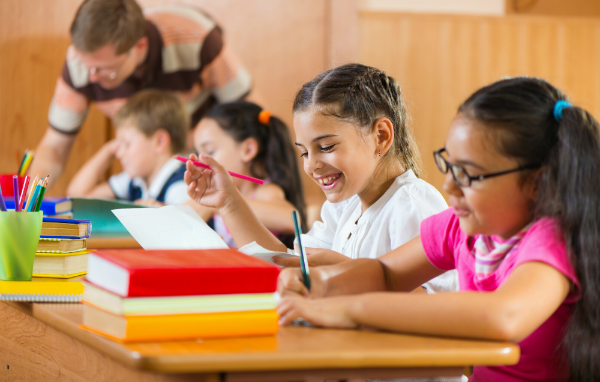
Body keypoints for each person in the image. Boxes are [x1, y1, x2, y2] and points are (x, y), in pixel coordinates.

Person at [276, 77, 600, 381]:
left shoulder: (551, 240)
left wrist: (349, 309)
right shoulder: (461, 228)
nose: (449, 185)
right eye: (450, 165)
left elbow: (503, 317)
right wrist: (319, 284)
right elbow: (385, 273)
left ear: (536, 182)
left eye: (469, 174)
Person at [185, 63, 454, 294]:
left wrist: (346, 273)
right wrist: (229, 202)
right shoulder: (343, 207)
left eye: (326, 147)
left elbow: (440, 307)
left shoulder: (413, 204)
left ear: (381, 136)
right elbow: (286, 263)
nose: (311, 166)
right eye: (303, 153)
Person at [31, 0, 255, 187]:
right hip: (150, 169)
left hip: (203, 167)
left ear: (139, 46)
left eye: (104, 70)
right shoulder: (77, 65)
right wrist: (26, 205)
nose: (92, 77)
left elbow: (251, 113)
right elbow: (54, 147)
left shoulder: (198, 38)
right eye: (87, 66)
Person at [191, 101, 306, 247]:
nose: (199, 162)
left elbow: (290, 219)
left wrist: (220, 204)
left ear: (248, 150)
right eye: (198, 153)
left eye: (209, 152)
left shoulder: (265, 191)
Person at [67, 89, 189, 206]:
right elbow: (78, 197)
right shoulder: (136, 180)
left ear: (159, 142)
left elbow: (187, 223)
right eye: (117, 145)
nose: (119, 153)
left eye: (126, 144)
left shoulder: (181, 186)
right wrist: (108, 150)